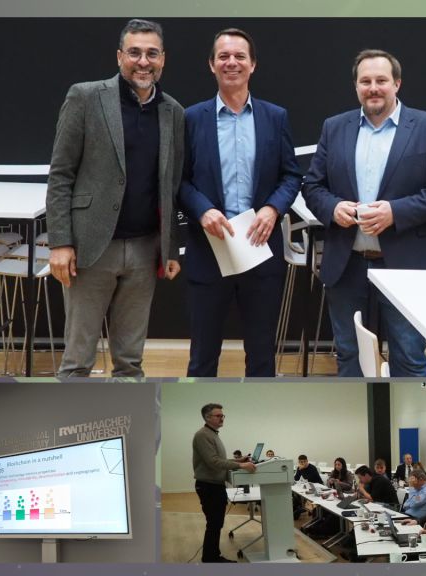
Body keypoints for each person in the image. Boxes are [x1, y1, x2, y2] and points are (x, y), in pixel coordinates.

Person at [303, 49, 426, 377]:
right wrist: (333, 207)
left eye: (381, 80)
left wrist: (395, 212)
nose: (373, 87)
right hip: (347, 263)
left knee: (409, 356)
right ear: (356, 86)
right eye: (365, 81)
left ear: (397, 84)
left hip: (406, 266)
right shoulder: (335, 127)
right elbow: (313, 186)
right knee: (348, 355)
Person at [46, 19, 184, 377]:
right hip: (91, 248)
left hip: (144, 251)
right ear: (120, 55)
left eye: (151, 53)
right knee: (77, 363)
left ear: (163, 59)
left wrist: (169, 248)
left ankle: (128, 425)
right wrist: (60, 242)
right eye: (135, 52)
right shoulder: (86, 97)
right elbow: (61, 174)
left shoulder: (173, 112)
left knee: (130, 363)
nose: (143, 61)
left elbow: (169, 186)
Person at [178, 28, 301, 377]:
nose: (231, 62)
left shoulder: (275, 118)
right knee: (202, 358)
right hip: (209, 253)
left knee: (262, 357)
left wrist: (273, 208)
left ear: (253, 65)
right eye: (223, 57)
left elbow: (291, 175)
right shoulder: (191, 118)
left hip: (260, 252)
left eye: (239, 56)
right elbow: (179, 181)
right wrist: (202, 210)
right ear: (211, 65)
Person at [192, 403, 256, 563]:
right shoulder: (203, 435)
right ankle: (210, 558)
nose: (222, 418)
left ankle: (211, 556)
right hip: (209, 486)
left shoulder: (212, 434)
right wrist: (241, 465)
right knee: (214, 524)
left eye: (223, 415)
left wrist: (238, 460)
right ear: (208, 417)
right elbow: (213, 462)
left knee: (216, 523)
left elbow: (218, 460)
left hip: (215, 485)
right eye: (218, 415)